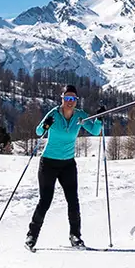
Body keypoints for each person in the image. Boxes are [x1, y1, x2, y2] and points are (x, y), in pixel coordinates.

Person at [28, 85, 105, 251]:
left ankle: (75, 236)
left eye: (73, 99)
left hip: (68, 164)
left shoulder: (80, 116)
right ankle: (32, 236)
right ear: (62, 98)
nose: (70, 102)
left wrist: (99, 118)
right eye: (67, 98)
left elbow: (94, 131)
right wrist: (46, 125)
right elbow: (38, 131)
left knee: (73, 201)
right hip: (48, 163)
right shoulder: (54, 114)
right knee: (45, 201)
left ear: (76, 101)